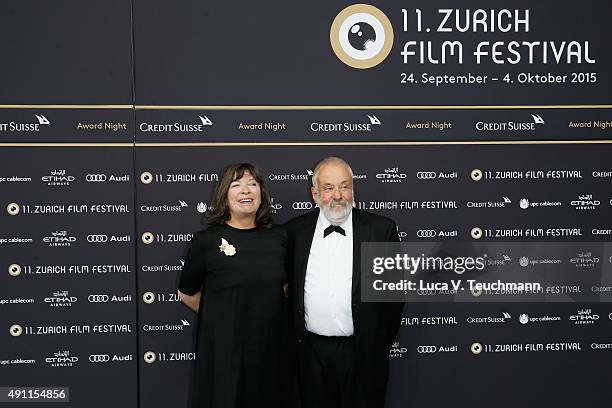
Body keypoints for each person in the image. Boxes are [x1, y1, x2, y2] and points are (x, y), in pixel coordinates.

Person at [284, 157, 404, 408]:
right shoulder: (294, 232)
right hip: (310, 356)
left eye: (344, 186)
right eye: (328, 188)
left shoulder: (381, 230)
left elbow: (394, 298)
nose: (337, 195)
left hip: (363, 356)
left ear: (353, 190)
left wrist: (376, 345)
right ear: (315, 194)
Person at [178, 163, 289, 408]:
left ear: (261, 193)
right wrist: (223, 316)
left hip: (271, 351)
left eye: (252, 184)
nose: (245, 191)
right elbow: (186, 293)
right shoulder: (206, 241)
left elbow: (285, 288)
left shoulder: (280, 238)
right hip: (225, 354)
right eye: (236, 185)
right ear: (224, 196)